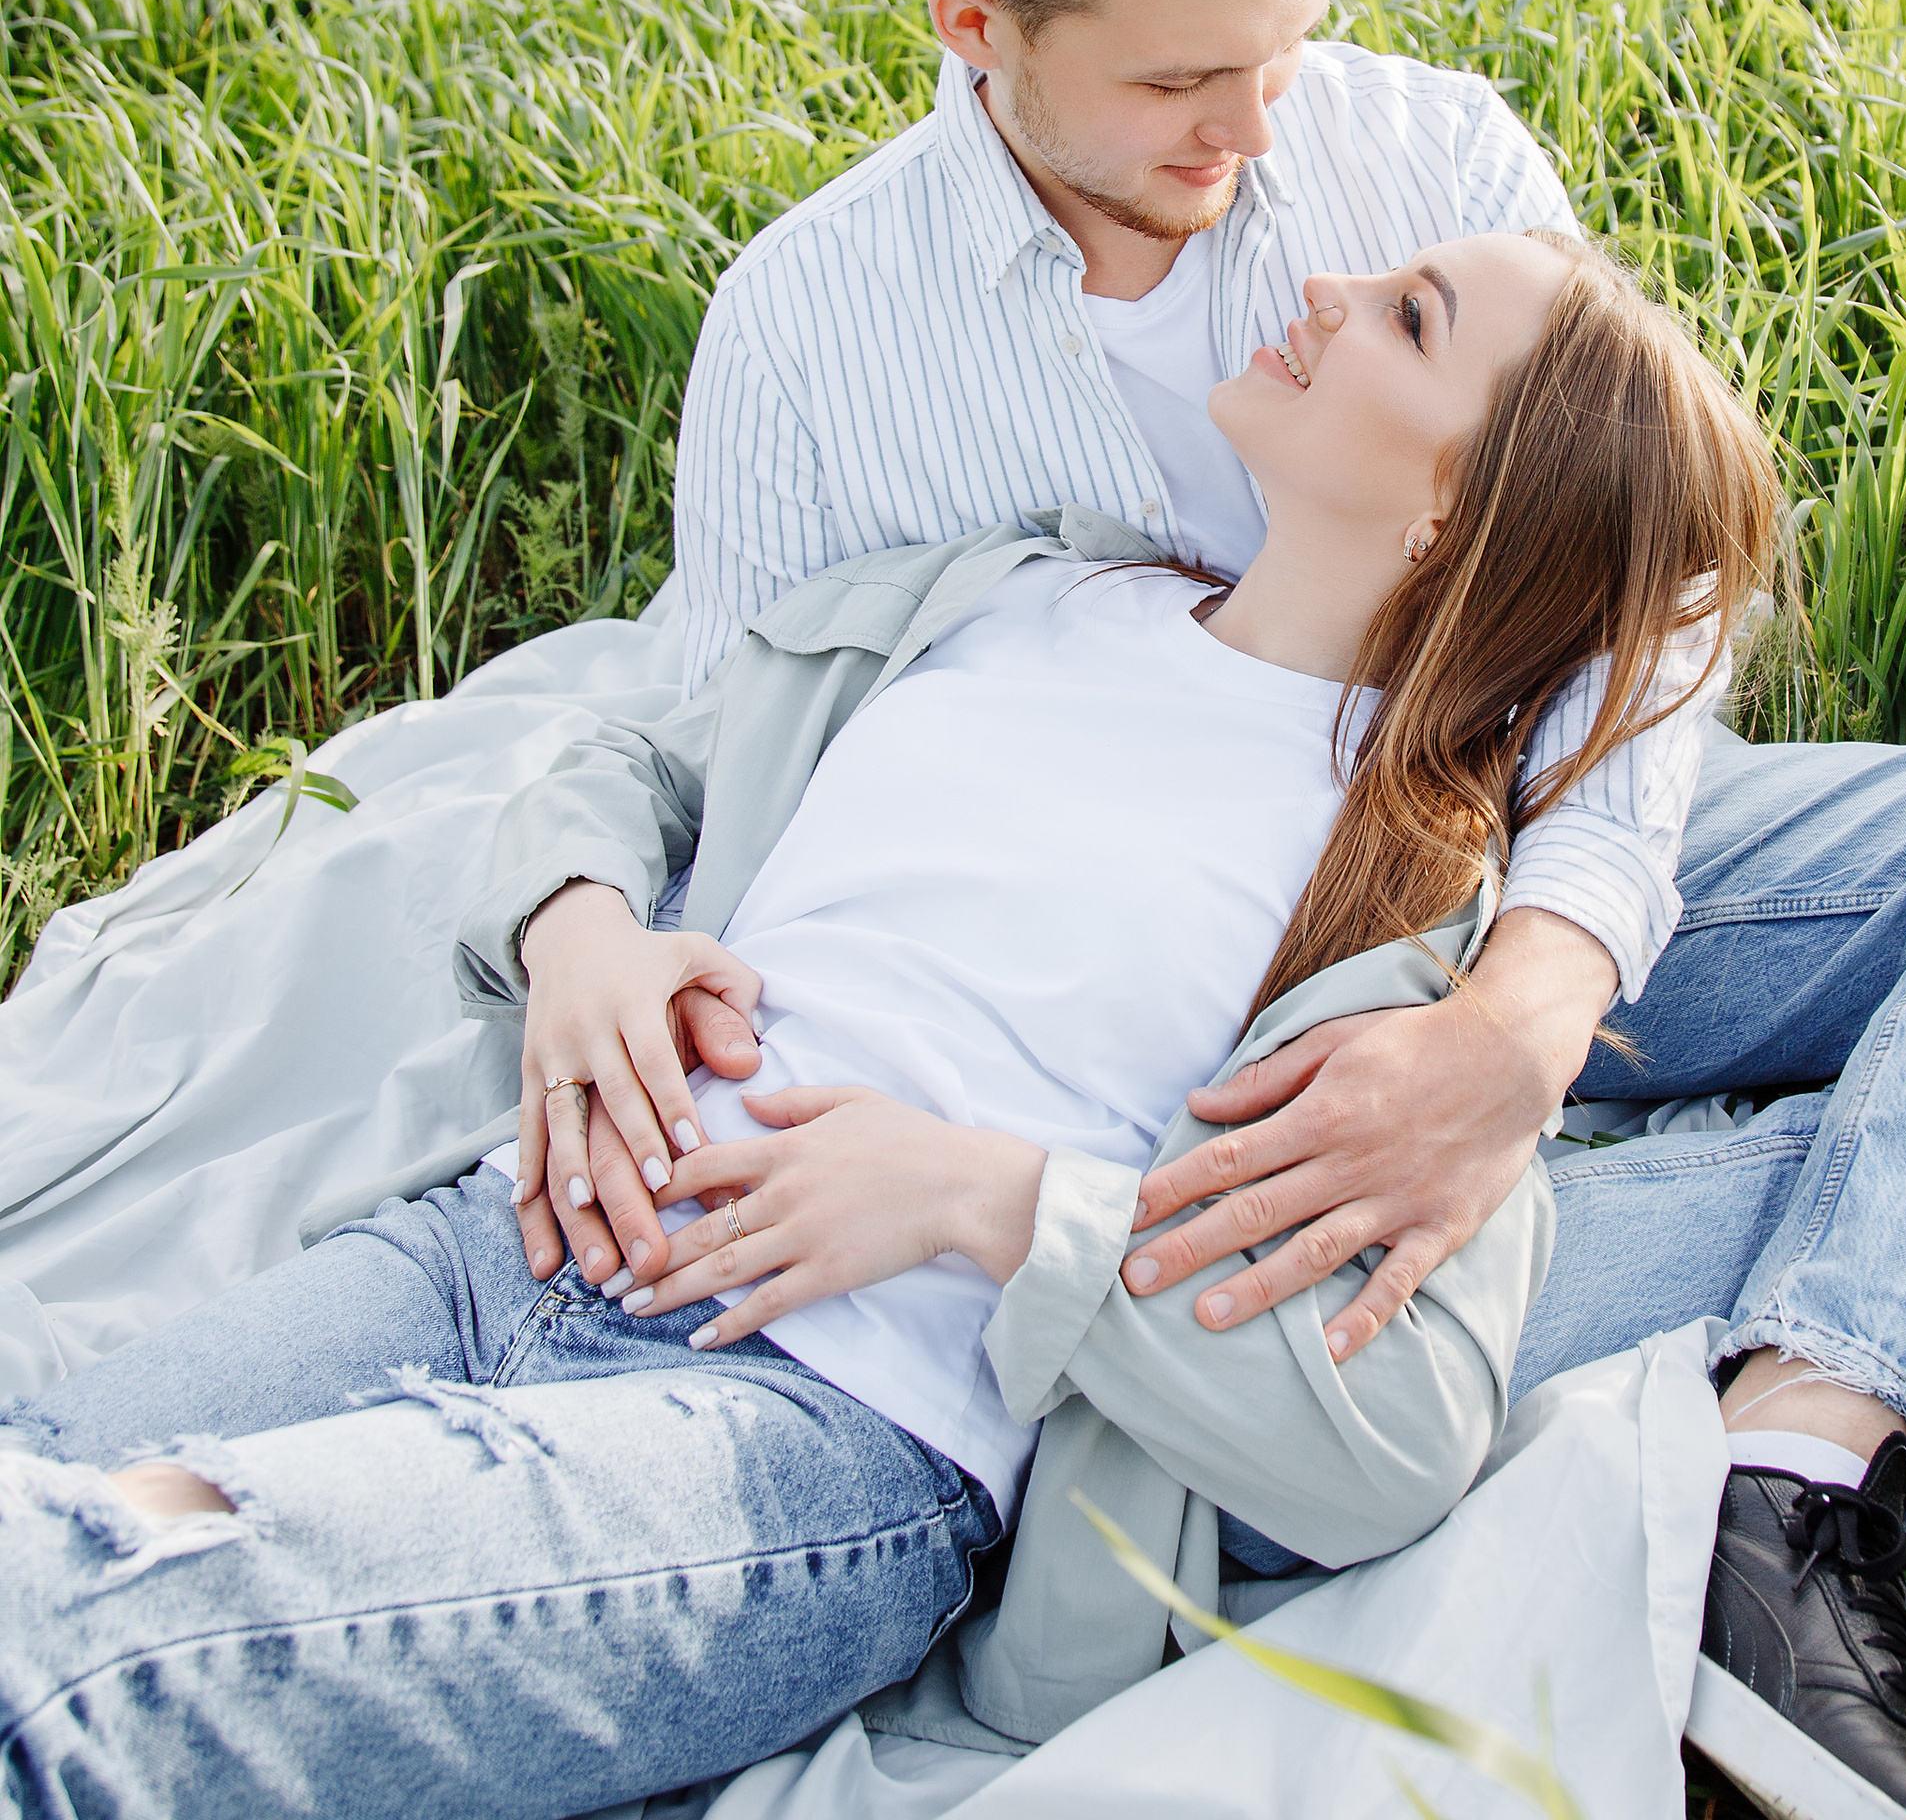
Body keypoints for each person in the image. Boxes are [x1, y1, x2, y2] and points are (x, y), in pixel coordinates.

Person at [522, 0, 1906, 1820]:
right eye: (1185, 78)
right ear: (975, 23)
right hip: (1145, 1010)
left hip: (1473, 834)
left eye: (1281, 48)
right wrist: (581, 920)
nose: (1257, 131)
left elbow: (1636, 591)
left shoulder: (1420, 146)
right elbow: (698, 713)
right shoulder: (812, 320)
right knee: (1297, 1310)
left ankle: (1787, 1481)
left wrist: (1530, 1006)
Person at [0, 231, 1779, 1813]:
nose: (1321, 287)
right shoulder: (1016, 594)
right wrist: (587, 931)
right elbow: (632, 756)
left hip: (812, 1433)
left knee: (81, 1638)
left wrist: (982, 1202)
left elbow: (1391, 1435)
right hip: (493, 1251)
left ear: (1459, 506)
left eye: (1407, 316)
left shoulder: (1412, 911)